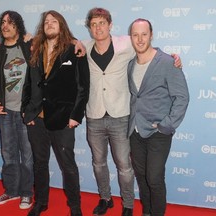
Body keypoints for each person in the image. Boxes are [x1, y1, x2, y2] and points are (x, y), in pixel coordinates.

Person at [83, 8, 182, 216]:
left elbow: (150, 51)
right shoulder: (84, 48)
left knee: (130, 169)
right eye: (94, 24)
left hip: (123, 118)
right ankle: (106, 198)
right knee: (100, 163)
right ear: (90, 28)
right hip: (99, 117)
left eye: (102, 23)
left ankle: (129, 204)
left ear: (110, 25)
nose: (98, 27)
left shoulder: (127, 45)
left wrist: (175, 58)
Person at [21, 10, 90, 216]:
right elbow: (28, 84)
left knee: (68, 165)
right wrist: (27, 112)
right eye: (46, 22)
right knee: (39, 164)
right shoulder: (35, 49)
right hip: (37, 119)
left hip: (63, 119)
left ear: (62, 25)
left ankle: (75, 206)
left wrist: (75, 116)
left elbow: (83, 87)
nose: (49, 24)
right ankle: (41, 202)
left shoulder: (74, 50)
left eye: (54, 21)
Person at [127, 18, 189, 216]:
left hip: (158, 132)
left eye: (144, 34)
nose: (140, 39)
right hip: (135, 131)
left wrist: (166, 125)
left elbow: (182, 97)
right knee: (142, 177)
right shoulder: (130, 64)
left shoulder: (168, 62)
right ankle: (147, 212)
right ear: (131, 37)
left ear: (151, 35)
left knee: (154, 178)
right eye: (135, 34)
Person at [0, 10, 34, 210]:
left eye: (10, 22)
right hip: (6, 112)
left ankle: (27, 193)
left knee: (27, 155)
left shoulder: (29, 47)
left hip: (25, 111)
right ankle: (12, 191)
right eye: (3, 22)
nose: (6, 26)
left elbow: (55, 40)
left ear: (18, 26)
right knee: (9, 154)